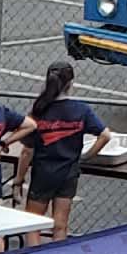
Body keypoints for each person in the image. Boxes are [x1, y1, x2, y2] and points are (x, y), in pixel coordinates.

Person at [19, 60, 105, 237]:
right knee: (60, 225)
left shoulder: (39, 109)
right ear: (71, 83)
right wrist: (86, 156)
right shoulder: (81, 110)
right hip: (68, 173)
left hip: (44, 173)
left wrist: (19, 179)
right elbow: (105, 135)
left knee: (33, 223)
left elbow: (27, 149)